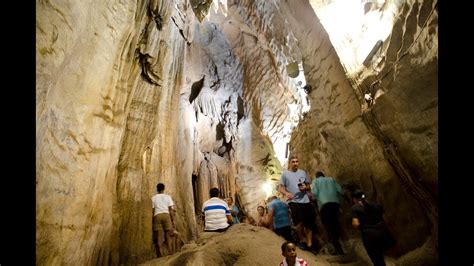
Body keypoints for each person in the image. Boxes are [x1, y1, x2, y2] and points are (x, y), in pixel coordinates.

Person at [279, 155, 316, 250]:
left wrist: (306, 187)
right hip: (293, 200)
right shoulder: (285, 174)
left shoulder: (303, 172)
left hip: (305, 200)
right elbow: (280, 187)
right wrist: (286, 193)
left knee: (308, 223)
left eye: (297, 161)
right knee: (298, 222)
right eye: (293, 162)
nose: (295, 163)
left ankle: (309, 244)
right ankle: (302, 239)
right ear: (290, 163)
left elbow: (308, 185)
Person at [351, 189, 396, 266]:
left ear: (354, 199)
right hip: (383, 233)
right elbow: (386, 220)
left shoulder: (355, 208)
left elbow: (356, 224)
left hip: (369, 236)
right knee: (384, 256)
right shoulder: (376, 205)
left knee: (377, 260)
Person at [311, 171, 345, 255]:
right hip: (335, 204)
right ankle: (339, 246)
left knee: (329, 227)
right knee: (336, 224)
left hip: (324, 206)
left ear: (316, 176)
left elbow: (314, 194)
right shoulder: (331, 179)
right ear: (323, 175)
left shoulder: (315, 181)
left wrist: (315, 203)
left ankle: (338, 249)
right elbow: (340, 190)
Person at [151, 183, 176, 257]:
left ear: (157, 189)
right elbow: (170, 209)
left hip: (157, 215)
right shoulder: (168, 197)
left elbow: (152, 210)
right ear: (164, 189)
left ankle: (161, 255)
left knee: (159, 236)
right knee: (168, 235)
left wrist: (153, 219)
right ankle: (170, 252)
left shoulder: (153, 198)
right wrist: (173, 220)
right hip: (166, 215)